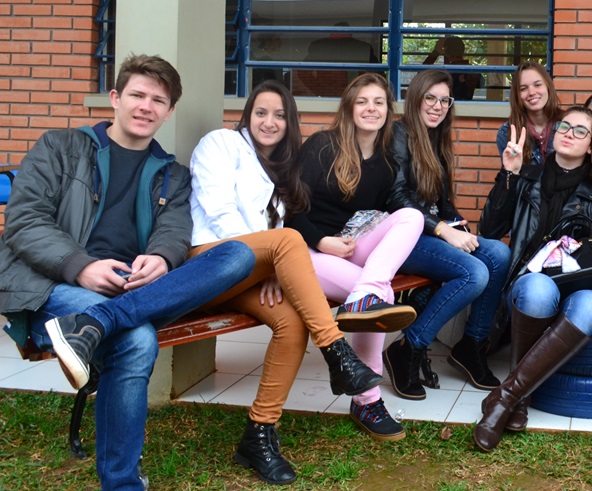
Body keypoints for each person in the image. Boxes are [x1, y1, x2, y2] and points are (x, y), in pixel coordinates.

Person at [0, 54, 271, 491]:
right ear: (115, 98)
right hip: (55, 283)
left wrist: (162, 258)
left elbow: (175, 231)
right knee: (137, 339)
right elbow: (24, 222)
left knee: (238, 255)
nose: (146, 107)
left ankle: (94, 324)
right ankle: (122, 484)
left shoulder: (173, 176)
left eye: (158, 100)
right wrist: (81, 267)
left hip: (133, 288)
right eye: (137, 95)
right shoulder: (60, 147)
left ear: (170, 110)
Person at [189, 80, 403, 477]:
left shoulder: (282, 169)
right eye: (261, 113)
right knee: (289, 240)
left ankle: (258, 433)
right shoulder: (221, 143)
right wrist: (264, 259)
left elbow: (280, 224)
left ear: (290, 122)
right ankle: (338, 353)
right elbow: (220, 215)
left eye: (280, 115)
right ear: (247, 115)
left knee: (291, 324)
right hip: (210, 263)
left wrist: (266, 264)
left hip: (252, 275)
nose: (269, 122)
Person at [286, 73, 424, 442]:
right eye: (362, 101)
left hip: (350, 246)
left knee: (411, 217)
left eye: (378, 102)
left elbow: (380, 214)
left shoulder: (385, 161)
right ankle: (367, 400)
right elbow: (290, 209)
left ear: (388, 111)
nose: (371, 109)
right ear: (349, 107)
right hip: (307, 250)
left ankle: (366, 293)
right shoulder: (322, 146)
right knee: (381, 297)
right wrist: (322, 241)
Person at [474, 106, 592, 451]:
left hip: (578, 286)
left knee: (591, 306)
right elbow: (489, 230)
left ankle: (508, 397)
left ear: (591, 145)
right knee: (538, 287)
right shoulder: (526, 177)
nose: (569, 133)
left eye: (581, 130)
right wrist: (508, 175)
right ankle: (516, 398)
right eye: (564, 126)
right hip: (528, 283)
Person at [384, 70, 512, 399]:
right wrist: (443, 230)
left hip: (430, 234)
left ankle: (472, 345)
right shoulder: (398, 134)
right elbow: (396, 198)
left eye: (445, 100)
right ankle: (408, 347)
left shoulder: (437, 139)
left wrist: (456, 225)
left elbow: (442, 205)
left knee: (499, 254)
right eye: (430, 98)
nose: (437, 106)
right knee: (474, 273)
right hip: (401, 238)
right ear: (416, 98)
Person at [495, 61, 561, 167]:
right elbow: (509, 175)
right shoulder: (506, 133)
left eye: (537, 85)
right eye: (523, 88)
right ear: (517, 95)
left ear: (548, 87)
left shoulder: (568, 125)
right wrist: (512, 171)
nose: (531, 92)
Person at [423, 36, 481, 100]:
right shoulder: (474, 72)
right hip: (466, 105)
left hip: (448, 105)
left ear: (446, 52)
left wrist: (436, 52)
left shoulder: (445, 73)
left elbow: (421, 74)